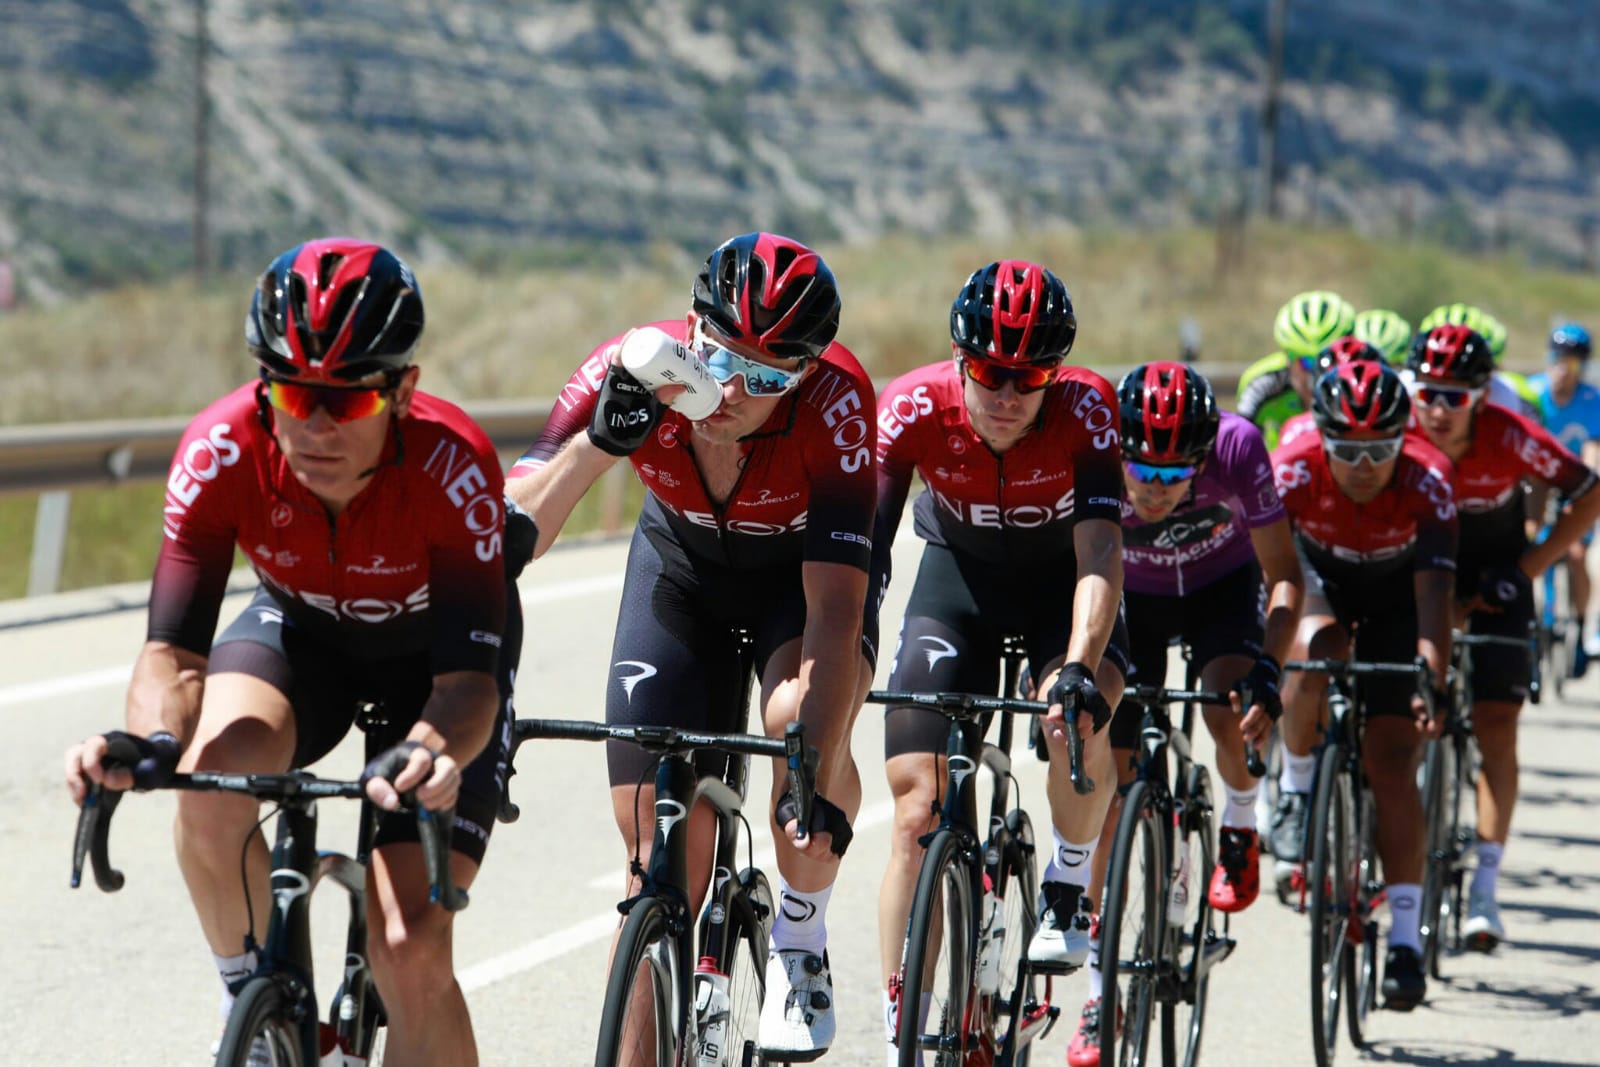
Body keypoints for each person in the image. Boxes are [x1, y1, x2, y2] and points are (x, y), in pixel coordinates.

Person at [62, 238, 513, 1067]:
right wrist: (149, 743)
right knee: (205, 788)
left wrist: (432, 750)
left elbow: (467, 685)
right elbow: (173, 656)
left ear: (403, 391)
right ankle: (263, 1011)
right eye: (292, 395)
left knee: (410, 947)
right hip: (302, 635)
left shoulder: (455, 466)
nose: (313, 426)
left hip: (434, 675)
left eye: (346, 405)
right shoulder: (222, 448)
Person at [503, 231, 875, 1062]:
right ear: (692, 329)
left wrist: (809, 762)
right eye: (722, 354)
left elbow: (838, 607)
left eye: (772, 374)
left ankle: (801, 938)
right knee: (659, 862)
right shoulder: (635, 365)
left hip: (799, 582)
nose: (739, 385)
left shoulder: (839, 403)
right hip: (680, 569)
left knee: (798, 726)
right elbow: (509, 530)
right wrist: (598, 444)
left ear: (807, 373)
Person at [871, 260, 1127, 1067]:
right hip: (960, 582)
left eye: (1030, 377)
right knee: (918, 809)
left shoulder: (1086, 408)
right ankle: (902, 1017)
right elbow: (861, 556)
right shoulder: (911, 406)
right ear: (959, 358)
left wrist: (1081, 663)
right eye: (989, 372)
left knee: (1076, 719)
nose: (1008, 394)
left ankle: (1067, 878)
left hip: (1061, 589)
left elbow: (1099, 548)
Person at [1045, 362, 1304, 1066]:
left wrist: (1270, 672)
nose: (1153, 491)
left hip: (1223, 587)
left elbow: (1285, 574)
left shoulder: (1240, 448)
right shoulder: (1096, 449)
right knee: (1114, 787)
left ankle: (1242, 826)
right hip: (1138, 597)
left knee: (1230, 705)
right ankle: (1101, 994)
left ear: (1203, 458)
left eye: (1172, 477)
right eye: (1141, 473)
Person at [1406, 323, 1600, 951]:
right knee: (1396, 718)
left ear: (1481, 399)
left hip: (1498, 581)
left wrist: (1527, 571)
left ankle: (1485, 886)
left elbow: (1590, 495)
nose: (1438, 409)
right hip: (1419, 578)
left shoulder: (1509, 435)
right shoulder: (1398, 432)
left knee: (1496, 726)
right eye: (1428, 392)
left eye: (1455, 397)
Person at [1269, 359, 1456, 1011]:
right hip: (1318, 577)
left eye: (1380, 448)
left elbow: (1434, 597)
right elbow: (1268, 569)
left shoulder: (1429, 481)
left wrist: (1429, 678)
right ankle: (1294, 788)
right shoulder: (1290, 464)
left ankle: (1405, 939)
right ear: (1320, 438)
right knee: (1311, 654)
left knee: (1393, 762)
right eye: (1346, 449)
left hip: (1399, 599)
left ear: (1404, 439)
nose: (1364, 463)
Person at [1527, 323, 1600, 673]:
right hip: (1538, 483)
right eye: (1557, 359)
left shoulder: (1591, 401)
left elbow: (1592, 450)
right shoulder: (1533, 393)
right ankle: (1526, 624)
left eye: (1571, 363)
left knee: (1575, 552)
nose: (1562, 370)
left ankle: (1583, 624)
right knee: (1527, 545)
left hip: (1576, 485)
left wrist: (1586, 486)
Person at [1237, 290, 1357, 449]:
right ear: (1288, 359)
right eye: (1306, 361)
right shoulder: (1260, 384)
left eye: (1329, 360)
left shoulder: (1362, 384)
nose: (1316, 372)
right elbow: (1239, 450)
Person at [1418, 303, 1540, 421]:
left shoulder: (1505, 395)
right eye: (1429, 393)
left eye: (1455, 396)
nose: (1440, 412)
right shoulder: (1406, 387)